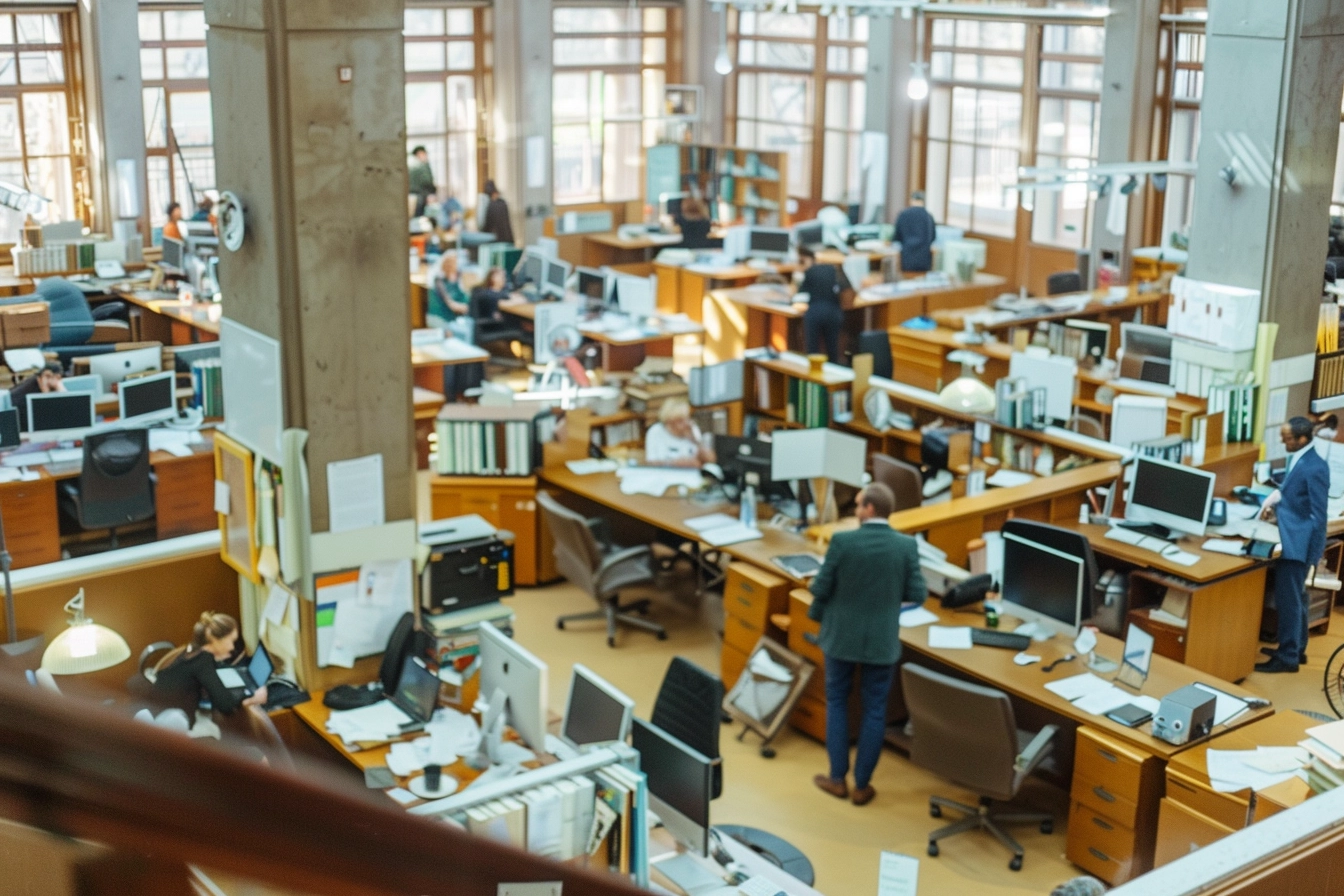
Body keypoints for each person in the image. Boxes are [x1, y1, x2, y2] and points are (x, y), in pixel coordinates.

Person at [810, 482, 925, 806]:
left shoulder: (843, 542)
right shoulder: (905, 546)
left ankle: (837, 779)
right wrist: (886, 597)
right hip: (881, 640)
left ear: (870, 509)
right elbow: (917, 594)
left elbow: (821, 587)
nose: (856, 510)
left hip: (840, 637)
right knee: (874, 710)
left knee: (837, 701)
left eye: (859, 505)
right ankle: (862, 786)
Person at [1256, 416, 1330, 673]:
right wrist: (1277, 507)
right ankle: (1296, 649)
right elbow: (1296, 499)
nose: (1281, 441)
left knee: (1288, 600)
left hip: (1298, 545)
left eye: (1286, 438)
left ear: (1302, 439)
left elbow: (1320, 516)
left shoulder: (1315, 467)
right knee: (1296, 598)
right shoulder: (1299, 457)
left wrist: (1314, 553)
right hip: (1292, 536)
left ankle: (1287, 658)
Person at [152, 612, 268, 718]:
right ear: (216, 640)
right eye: (231, 641)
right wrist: (254, 698)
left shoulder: (194, 649)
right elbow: (226, 706)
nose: (232, 647)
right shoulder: (202, 661)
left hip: (161, 706)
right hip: (173, 720)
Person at [797, 245, 847, 364]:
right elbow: (845, 289)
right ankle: (834, 374)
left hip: (815, 313)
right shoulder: (837, 270)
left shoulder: (810, 271)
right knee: (833, 349)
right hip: (833, 312)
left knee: (813, 350)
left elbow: (800, 294)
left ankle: (813, 377)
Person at [644, 399, 715, 468]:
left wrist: (697, 441)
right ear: (669, 422)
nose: (686, 423)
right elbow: (651, 463)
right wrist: (674, 464)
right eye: (680, 421)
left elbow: (711, 460)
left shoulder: (691, 430)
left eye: (687, 418)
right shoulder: (656, 431)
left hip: (692, 476)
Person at [428, 252, 474, 344]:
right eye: (449, 263)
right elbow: (450, 304)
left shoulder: (460, 277)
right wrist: (467, 308)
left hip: (455, 317)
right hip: (441, 317)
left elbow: (467, 294)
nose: (451, 265)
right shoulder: (439, 281)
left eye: (454, 263)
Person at [10, 360, 63, 432]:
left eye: (58, 378)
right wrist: (46, 392)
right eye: (48, 376)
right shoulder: (25, 397)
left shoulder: (52, 386)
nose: (53, 382)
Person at [893, 190, 937, 275]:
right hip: (924, 258)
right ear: (923, 201)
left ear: (911, 200)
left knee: (907, 283)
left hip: (907, 257)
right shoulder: (928, 216)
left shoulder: (903, 214)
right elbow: (933, 237)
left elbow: (897, 237)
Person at [481, 179, 515, 245]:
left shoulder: (491, 205)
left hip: (497, 240)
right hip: (508, 239)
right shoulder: (503, 203)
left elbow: (487, 227)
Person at [409, 145, 436, 218]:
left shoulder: (411, 165)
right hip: (420, 196)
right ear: (420, 154)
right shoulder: (421, 166)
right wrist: (431, 193)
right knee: (419, 218)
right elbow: (427, 181)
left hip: (412, 195)